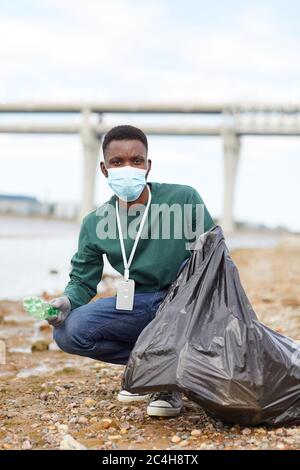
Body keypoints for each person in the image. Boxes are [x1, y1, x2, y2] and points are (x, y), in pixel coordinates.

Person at [49, 124, 215, 417]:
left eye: (136, 161)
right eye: (117, 162)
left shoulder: (183, 199)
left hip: (184, 305)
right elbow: (83, 280)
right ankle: (152, 367)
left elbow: (214, 255)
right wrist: (67, 301)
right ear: (104, 168)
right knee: (68, 331)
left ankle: (167, 376)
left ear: (148, 166)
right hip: (137, 304)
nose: (128, 168)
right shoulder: (95, 222)